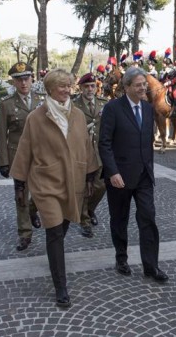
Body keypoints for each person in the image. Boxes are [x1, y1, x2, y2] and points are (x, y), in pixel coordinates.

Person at [10, 69, 99, 308]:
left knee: (64, 225)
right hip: (46, 182)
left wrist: (90, 176)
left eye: (69, 86)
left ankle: (55, 263)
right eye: (62, 86)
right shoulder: (36, 117)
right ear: (49, 89)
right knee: (55, 232)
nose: (67, 90)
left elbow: (87, 148)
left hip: (73, 181)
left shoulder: (78, 115)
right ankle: (61, 287)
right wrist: (20, 183)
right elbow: (24, 150)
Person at [99, 66, 168, 283]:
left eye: (144, 85)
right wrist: (112, 172)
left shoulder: (148, 109)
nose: (143, 88)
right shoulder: (112, 109)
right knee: (119, 219)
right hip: (119, 177)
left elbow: (147, 141)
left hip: (144, 176)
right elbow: (104, 143)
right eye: (138, 85)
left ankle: (151, 266)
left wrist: (150, 168)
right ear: (126, 87)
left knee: (148, 218)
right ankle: (121, 258)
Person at [0, 62, 44, 252]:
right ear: (14, 82)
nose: (24, 83)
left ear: (32, 79)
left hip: (41, 156)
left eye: (26, 78)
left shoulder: (43, 100)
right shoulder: (6, 104)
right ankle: (25, 233)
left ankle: (33, 211)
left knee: (42, 192)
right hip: (18, 155)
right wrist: (3, 162)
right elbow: (2, 135)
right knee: (21, 195)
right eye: (19, 80)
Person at [72, 73, 108, 238]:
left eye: (92, 86)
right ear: (80, 88)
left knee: (101, 186)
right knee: (84, 187)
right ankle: (84, 221)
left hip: (100, 152)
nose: (90, 89)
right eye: (86, 86)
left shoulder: (104, 104)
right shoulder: (73, 105)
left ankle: (89, 209)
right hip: (82, 152)